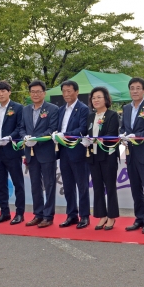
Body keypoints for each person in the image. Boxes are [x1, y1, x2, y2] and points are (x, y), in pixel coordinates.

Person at [120, 77, 144, 234]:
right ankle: (139, 217)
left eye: (138, 88)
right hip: (130, 154)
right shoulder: (126, 108)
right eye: (132, 88)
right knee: (135, 189)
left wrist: (135, 135)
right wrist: (122, 135)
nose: (134, 91)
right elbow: (123, 127)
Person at [19, 80, 60, 228]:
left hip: (46, 151)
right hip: (30, 152)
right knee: (35, 184)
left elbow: (52, 128)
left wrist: (36, 139)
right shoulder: (25, 110)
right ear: (30, 94)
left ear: (44, 93)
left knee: (49, 184)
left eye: (38, 91)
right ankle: (38, 214)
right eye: (33, 92)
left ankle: (48, 216)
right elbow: (21, 128)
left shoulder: (53, 109)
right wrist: (25, 137)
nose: (35, 94)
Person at [81, 87, 120, 230]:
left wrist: (97, 139)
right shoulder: (90, 117)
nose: (96, 100)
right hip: (93, 156)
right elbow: (86, 132)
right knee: (97, 187)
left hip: (107, 156)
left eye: (99, 97)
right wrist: (85, 139)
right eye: (93, 98)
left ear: (106, 99)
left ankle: (111, 216)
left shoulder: (112, 115)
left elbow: (112, 135)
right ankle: (101, 215)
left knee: (110, 187)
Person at [0, 80, 26, 225]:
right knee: (1, 183)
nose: (0, 94)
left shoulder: (18, 108)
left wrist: (10, 137)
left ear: (9, 92)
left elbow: (20, 127)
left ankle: (20, 213)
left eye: (3, 91)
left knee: (18, 183)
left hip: (12, 149)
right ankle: (4, 212)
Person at [56, 80, 91, 229]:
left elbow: (83, 129)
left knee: (82, 186)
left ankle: (84, 216)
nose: (66, 94)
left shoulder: (83, 109)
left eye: (69, 91)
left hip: (78, 152)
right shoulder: (61, 110)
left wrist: (65, 134)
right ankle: (71, 214)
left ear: (76, 92)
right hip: (63, 152)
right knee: (68, 186)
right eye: (64, 91)